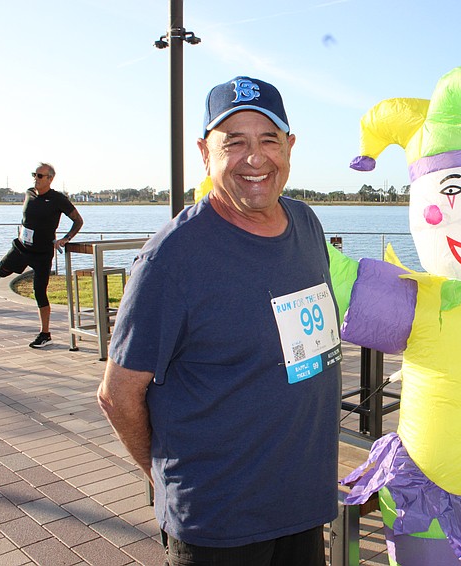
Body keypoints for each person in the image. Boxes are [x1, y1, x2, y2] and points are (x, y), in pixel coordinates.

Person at [97, 76, 343, 565]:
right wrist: (167, 478)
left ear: (290, 147)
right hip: (218, 525)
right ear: (205, 154)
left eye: (269, 139)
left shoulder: (307, 225)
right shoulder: (171, 260)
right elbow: (117, 393)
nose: (255, 158)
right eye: (234, 143)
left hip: (303, 505)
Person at [0, 162, 84, 348]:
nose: (35, 179)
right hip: (21, 248)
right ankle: (19, 267)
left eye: (40, 176)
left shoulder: (58, 199)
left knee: (39, 292)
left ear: (50, 179)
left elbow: (78, 221)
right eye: (34, 175)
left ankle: (45, 334)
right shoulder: (29, 193)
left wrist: (66, 238)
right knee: (1, 271)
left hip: (42, 253)